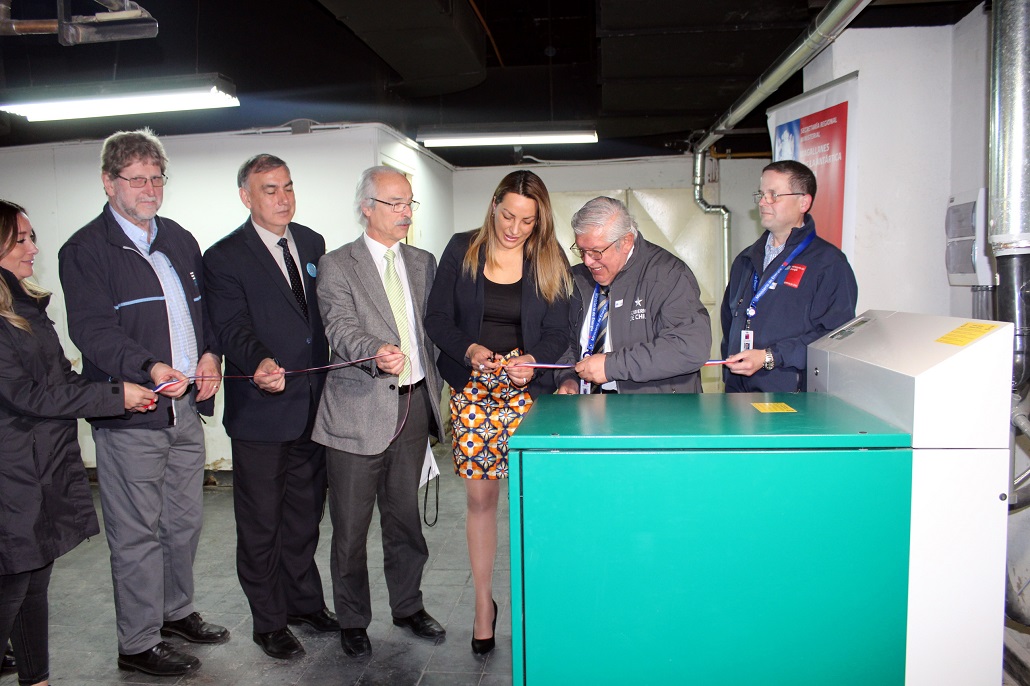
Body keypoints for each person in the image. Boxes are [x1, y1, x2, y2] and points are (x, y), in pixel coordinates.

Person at [58, 128, 228, 677]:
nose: (150, 188)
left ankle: (174, 613)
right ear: (109, 184)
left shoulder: (178, 238)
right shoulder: (85, 250)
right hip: (133, 414)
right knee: (136, 533)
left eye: (157, 177)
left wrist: (209, 355)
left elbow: (204, 314)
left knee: (183, 523)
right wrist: (150, 367)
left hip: (184, 411)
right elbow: (92, 332)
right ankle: (136, 643)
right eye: (136, 179)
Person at [0, 201, 157, 686]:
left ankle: (37, 679)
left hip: (41, 463)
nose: (34, 247)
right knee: (12, 583)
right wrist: (114, 395)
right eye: (22, 239)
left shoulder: (25, 304)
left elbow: (60, 380)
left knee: (35, 579)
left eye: (31, 237)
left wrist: (121, 396)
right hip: (11, 472)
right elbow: (26, 394)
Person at [424, 170, 571, 654]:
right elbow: (437, 318)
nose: (514, 228)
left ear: (539, 221)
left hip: (530, 396)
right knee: (481, 503)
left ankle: (543, 603)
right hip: (475, 390)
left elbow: (559, 331)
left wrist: (531, 359)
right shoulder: (462, 249)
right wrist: (469, 350)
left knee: (534, 505)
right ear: (493, 207)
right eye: (508, 215)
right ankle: (483, 605)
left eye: (527, 221)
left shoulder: (550, 258)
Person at [203, 154, 335, 660]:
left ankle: (303, 602)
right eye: (269, 190)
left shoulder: (312, 242)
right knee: (261, 522)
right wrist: (258, 360)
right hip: (261, 409)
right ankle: (268, 620)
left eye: (287, 187)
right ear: (246, 196)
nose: (282, 198)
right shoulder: (224, 257)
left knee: (305, 515)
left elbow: (315, 322)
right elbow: (232, 325)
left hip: (311, 405)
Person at [313, 166, 447, 658]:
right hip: (356, 411)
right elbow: (340, 327)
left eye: (409, 203)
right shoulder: (337, 265)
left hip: (412, 404)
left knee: (405, 519)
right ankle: (352, 618)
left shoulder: (422, 262)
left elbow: (436, 331)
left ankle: (408, 605)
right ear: (366, 207)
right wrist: (375, 349)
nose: (405, 213)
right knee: (350, 527)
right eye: (394, 204)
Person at [720, 160, 857, 392]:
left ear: (804, 202)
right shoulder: (746, 259)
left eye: (773, 195)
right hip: (738, 393)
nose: (763, 202)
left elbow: (834, 337)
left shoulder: (829, 263)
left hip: (790, 397)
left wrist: (770, 357)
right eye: (761, 194)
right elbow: (728, 320)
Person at [556, 196, 711, 394]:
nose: (587, 261)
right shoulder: (581, 279)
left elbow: (690, 347)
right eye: (582, 250)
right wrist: (568, 378)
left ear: (626, 242)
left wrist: (611, 366)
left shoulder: (668, 275)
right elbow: (568, 341)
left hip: (658, 414)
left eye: (596, 252)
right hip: (593, 410)